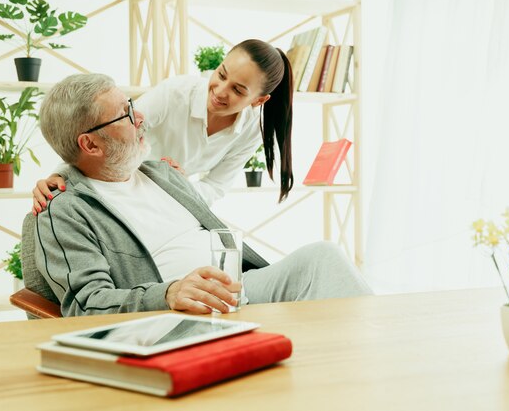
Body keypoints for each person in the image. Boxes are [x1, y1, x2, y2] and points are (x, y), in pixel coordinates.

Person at [34, 73, 371, 317]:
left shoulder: (162, 174)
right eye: (125, 114)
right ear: (90, 144)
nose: (139, 117)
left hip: (239, 287)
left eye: (132, 104)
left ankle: (384, 358)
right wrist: (168, 294)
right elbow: (86, 303)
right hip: (184, 313)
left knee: (323, 261)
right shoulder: (65, 210)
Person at [32, 38, 294, 212]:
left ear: (259, 100)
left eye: (237, 90)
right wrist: (59, 175)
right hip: (125, 187)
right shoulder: (175, 94)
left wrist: (179, 187)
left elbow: (215, 186)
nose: (220, 91)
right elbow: (106, 130)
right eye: (221, 74)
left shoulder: (249, 131)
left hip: (175, 204)